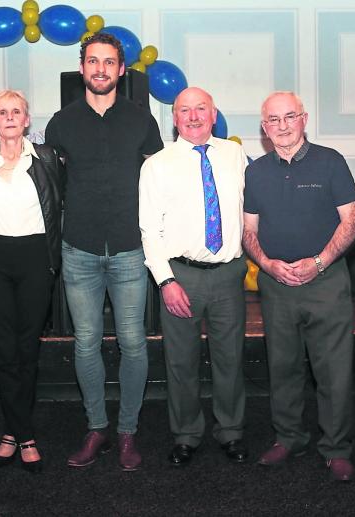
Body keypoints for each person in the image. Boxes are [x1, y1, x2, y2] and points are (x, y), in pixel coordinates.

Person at [43, 32, 164, 471]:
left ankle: (128, 431)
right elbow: (47, 186)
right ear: (82, 68)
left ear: (121, 69)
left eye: (108, 62)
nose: (100, 69)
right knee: (86, 343)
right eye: (92, 61)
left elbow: (158, 182)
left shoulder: (141, 120)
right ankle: (97, 427)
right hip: (79, 249)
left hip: (132, 249)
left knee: (133, 343)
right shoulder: (61, 122)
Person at [242, 91, 355, 481]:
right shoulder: (256, 171)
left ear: (304, 119)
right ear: (264, 127)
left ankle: (337, 448)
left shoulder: (331, 162)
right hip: (276, 286)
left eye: (289, 117)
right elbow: (248, 230)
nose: (281, 126)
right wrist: (266, 264)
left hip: (326, 282)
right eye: (272, 120)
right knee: (283, 367)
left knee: (333, 372)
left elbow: (354, 220)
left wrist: (318, 262)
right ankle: (289, 437)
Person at [139, 87, 249, 466]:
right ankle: (186, 433)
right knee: (181, 361)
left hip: (229, 274)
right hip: (180, 276)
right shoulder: (157, 164)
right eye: (184, 110)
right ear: (174, 118)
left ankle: (231, 431)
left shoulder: (236, 155)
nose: (193, 116)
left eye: (201, 108)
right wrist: (165, 281)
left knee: (230, 358)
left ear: (214, 114)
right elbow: (149, 230)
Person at [0, 90, 64, 473]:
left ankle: (12, 431)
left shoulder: (48, 158)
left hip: (36, 258)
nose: (9, 117)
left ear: (27, 120)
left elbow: (59, 205)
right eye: (2, 112)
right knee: (3, 347)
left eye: (16, 112)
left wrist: (54, 262)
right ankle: (23, 435)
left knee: (27, 347)